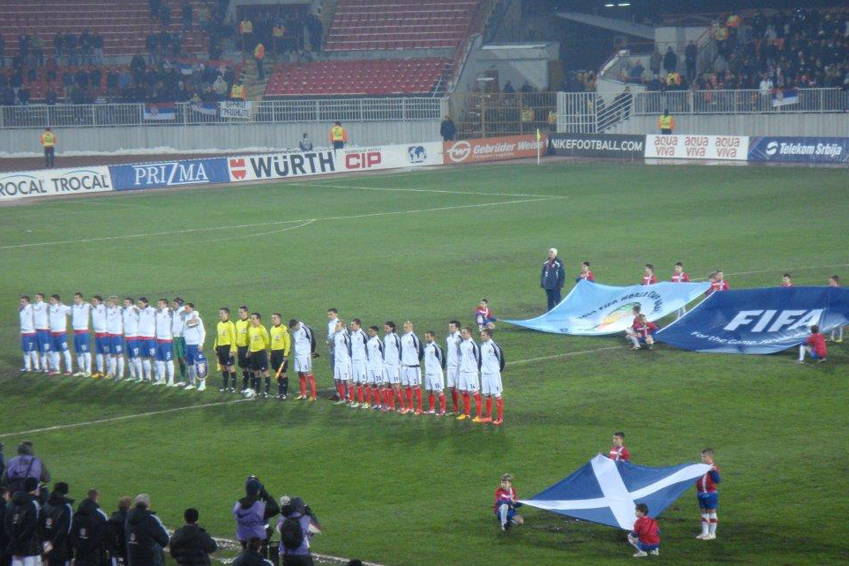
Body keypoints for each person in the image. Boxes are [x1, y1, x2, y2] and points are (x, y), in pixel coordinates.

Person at [233, 478, 279, 554]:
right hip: (258, 541)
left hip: (243, 538)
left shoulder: (237, 505)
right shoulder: (259, 507)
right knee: (268, 529)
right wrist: (266, 495)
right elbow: (276, 509)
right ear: (258, 491)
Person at [3, 477, 41, 566]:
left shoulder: (11, 502)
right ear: (35, 489)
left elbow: (7, 523)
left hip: (15, 547)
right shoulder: (34, 503)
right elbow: (33, 526)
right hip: (30, 548)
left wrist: (14, 539)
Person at [125, 494, 169, 566]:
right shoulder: (151, 518)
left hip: (132, 559)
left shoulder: (127, 519)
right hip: (149, 559)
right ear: (148, 504)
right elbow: (164, 539)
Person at [70, 490, 108, 566]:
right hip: (95, 555)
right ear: (96, 498)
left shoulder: (77, 514)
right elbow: (102, 535)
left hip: (80, 554)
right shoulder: (101, 515)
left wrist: (78, 546)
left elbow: (72, 532)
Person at [277, 497, 319, 566]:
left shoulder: (282, 519)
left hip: (287, 555)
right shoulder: (305, 519)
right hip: (303, 554)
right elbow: (316, 528)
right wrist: (310, 513)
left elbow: (280, 530)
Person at [42, 482, 73, 566]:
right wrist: (53, 543)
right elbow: (66, 529)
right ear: (66, 493)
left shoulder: (46, 503)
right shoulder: (66, 507)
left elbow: (41, 525)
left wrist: (46, 544)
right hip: (60, 547)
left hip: (45, 545)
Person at [478, 329, 504, 425]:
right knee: (487, 395)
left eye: (483, 335)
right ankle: (488, 417)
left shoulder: (494, 346)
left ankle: (500, 418)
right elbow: (480, 360)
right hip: (485, 374)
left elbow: (501, 359)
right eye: (481, 335)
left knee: (497, 395)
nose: (481, 336)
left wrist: (497, 370)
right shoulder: (482, 346)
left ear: (489, 336)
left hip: (493, 374)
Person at [457, 326, 482, 421]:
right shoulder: (462, 344)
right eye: (462, 333)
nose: (462, 334)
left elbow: (479, 358)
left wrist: (477, 369)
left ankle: (478, 416)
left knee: (475, 393)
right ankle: (466, 413)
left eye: (464, 333)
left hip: (471, 372)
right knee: (464, 392)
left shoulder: (473, 344)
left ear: (469, 333)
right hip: (463, 372)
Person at [288, 319, 317, 401]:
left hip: (305, 355)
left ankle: (313, 396)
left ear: (297, 324)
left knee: (309, 374)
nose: (293, 330)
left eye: (294, 328)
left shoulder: (305, 329)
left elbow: (313, 340)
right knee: (300, 374)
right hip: (298, 355)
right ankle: (303, 394)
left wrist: (311, 352)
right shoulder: (294, 329)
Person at [399, 321, 424, 415]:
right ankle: (410, 407)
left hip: (413, 366)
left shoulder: (414, 337)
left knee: (416, 386)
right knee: (406, 386)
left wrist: (415, 361)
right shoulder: (403, 338)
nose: (405, 328)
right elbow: (401, 351)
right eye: (404, 327)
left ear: (411, 327)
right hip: (404, 366)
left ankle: (419, 408)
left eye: (407, 327)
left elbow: (420, 351)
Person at [696, 449, 720, 540]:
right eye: (702, 456)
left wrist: (713, 471)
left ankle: (712, 533)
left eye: (704, 456)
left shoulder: (714, 467)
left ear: (710, 457)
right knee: (703, 512)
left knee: (711, 512)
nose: (702, 458)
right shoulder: (701, 467)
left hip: (710, 493)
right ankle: (705, 532)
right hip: (700, 493)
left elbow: (717, 480)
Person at [183, 303, 207, 391]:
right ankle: (192, 383)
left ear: (192, 308)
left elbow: (202, 332)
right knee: (190, 365)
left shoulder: (197, 319)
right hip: (187, 344)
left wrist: (201, 344)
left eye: (187, 308)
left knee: (200, 364)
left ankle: (202, 383)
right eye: (185, 308)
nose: (185, 309)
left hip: (195, 344)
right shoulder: (185, 317)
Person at [47, 294, 73, 376]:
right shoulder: (49, 308)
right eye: (50, 299)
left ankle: (69, 369)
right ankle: (56, 369)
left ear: (57, 301)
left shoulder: (62, 307)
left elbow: (72, 310)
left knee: (65, 351)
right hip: (52, 334)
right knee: (54, 352)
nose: (51, 301)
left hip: (61, 334)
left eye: (52, 299)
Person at [247, 313, 271, 396]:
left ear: (258, 319)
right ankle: (257, 391)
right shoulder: (250, 329)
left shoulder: (262, 329)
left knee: (265, 372)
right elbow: (251, 341)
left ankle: (266, 391)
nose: (252, 320)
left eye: (253, 318)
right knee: (256, 373)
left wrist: (265, 350)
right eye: (251, 318)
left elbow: (267, 341)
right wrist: (249, 351)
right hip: (253, 353)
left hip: (261, 353)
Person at [215, 308, 238, 392]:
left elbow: (233, 338)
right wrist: (216, 347)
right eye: (219, 313)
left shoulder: (230, 324)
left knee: (230, 366)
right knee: (223, 367)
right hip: (220, 348)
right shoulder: (219, 324)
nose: (220, 315)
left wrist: (232, 349)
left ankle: (233, 387)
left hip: (228, 348)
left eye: (222, 313)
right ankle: (225, 386)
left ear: (227, 314)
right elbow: (217, 337)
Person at [422, 331, 445, 416]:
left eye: (428, 337)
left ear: (433, 337)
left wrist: (441, 368)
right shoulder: (426, 347)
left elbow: (442, 358)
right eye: (425, 337)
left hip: (436, 373)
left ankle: (442, 410)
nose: (426, 338)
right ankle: (431, 409)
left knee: (439, 391)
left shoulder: (436, 347)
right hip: (428, 373)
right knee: (429, 391)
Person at [154, 299, 176, 386]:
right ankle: (161, 379)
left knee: (169, 361)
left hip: (167, 340)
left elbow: (180, 311)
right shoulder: (157, 313)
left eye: (160, 304)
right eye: (158, 303)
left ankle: (171, 380)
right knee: (159, 361)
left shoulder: (170, 312)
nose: (158, 305)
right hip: (158, 340)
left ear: (165, 304)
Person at [269, 313, 291, 399]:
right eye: (272, 318)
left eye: (274, 318)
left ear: (279, 319)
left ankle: (284, 393)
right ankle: (280, 392)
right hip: (274, 353)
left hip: (281, 353)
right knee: (277, 373)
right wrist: (270, 353)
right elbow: (272, 342)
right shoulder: (272, 329)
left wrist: (285, 354)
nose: (272, 319)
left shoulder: (283, 329)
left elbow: (288, 342)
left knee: (283, 373)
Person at [70, 293, 92, 377]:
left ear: (81, 298)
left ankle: (88, 370)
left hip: (83, 332)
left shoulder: (86, 305)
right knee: (78, 352)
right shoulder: (73, 307)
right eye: (74, 298)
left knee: (86, 351)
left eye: (76, 298)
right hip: (76, 332)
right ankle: (81, 370)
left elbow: (95, 306)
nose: (75, 300)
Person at [105, 496, 131, 566]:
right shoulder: (129, 520)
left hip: (114, 554)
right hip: (126, 553)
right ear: (129, 507)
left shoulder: (112, 519)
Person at [348, 319, 368, 408]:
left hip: (362, 362)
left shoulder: (363, 334)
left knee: (364, 383)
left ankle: (367, 402)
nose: (351, 326)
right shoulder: (352, 335)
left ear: (358, 325)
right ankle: (360, 401)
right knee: (357, 383)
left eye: (353, 324)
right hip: (354, 362)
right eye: (351, 324)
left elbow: (369, 346)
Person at [331, 319, 352, 405]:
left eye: (337, 326)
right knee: (338, 379)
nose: (335, 327)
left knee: (346, 380)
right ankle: (342, 398)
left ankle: (349, 397)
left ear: (343, 327)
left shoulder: (345, 336)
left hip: (344, 361)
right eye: (335, 325)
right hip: (337, 361)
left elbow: (350, 349)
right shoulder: (336, 335)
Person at [382, 322, 402, 412]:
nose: (385, 329)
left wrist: (399, 362)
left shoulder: (396, 337)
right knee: (388, 384)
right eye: (385, 328)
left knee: (396, 385)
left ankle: (402, 406)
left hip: (394, 364)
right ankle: (392, 406)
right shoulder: (386, 338)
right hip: (387, 364)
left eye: (387, 327)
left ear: (392, 328)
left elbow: (401, 350)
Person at [137, 298, 157, 383]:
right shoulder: (139, 310)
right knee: (144, 358)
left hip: (150, 338)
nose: (139, 305)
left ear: (146, 303)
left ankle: (157, 377)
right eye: (138, 303)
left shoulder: (153, 310)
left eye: (140, 303)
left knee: (154, 357)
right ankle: (148, 376)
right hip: (141, 338)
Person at [365, 326, 385, 410]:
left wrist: (382, 366)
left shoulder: (379, 342)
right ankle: (377, 403)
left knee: (380, 385)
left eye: (371, 331)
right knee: (373, 385)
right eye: (369, 331)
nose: (370, 332)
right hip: (371, 367)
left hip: (378, 367)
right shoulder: (369, 342)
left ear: (376, 332)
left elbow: (384, 354)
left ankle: (384, 404)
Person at [122, 297, 142, 381]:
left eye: (126, 302)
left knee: (136, 358)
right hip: (127, 337)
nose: (124, 303)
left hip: (134, 337)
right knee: (129, 358)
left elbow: (142, 313)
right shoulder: (124, 311)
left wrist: (137, 308)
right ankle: (132, 375)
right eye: (124, 302)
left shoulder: (135, 309)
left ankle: (140, 377)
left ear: (130, 303)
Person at [105, 296, 125, 380]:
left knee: (119, 355)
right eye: (108, 301)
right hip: (109, 335)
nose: (108, 303)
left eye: (111, 301)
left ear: (115, 302)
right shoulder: (107, 309)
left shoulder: (120, 309)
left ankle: (120, 374)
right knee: (112, 354)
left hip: (117, 336)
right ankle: (112, 373)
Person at [18, 296, 39, 373]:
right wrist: (21, 332)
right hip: (24, 333)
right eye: (21, 301)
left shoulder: (31, 307)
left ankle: (36, 366)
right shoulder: (21, 310)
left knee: (32, 350)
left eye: (23, 301)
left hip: (30, 333)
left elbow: (37, 306)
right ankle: (27, 367)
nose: (21, 303)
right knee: (25, 350)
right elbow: (22, 322)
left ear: (27, 302)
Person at [445, 320, 462, 415]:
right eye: (449, 326)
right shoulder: (448, 338)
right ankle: (455, 410)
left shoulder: (459, 338)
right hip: (450, 366)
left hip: (457, 367)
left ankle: (464, 411)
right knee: (452, 388)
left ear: (457, 328)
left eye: (452, 326)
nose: (450, 327)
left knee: (461, 388)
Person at [32, 293, 51, 374]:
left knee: (47, 349)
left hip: (45, 330)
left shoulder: (46, 305)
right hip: (36, 330)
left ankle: (52, 366)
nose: (36, 298)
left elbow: (55, 307)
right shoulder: (32, 306)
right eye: (35, 297)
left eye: (38, 297)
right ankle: (44, 367)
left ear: (42, 298)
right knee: (41, 350)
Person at [171, 298, 188, 384]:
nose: (173, 305)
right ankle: (183, 377)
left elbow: (195, 313)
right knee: (180, 358)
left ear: (179, 304)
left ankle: (190, 376)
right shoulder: (174, 311)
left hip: (183, 337)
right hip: (176, 337)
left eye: (174, 304)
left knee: (185, 357)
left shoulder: (183, 311)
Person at [90, 296, 108, 378]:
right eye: (92, 301)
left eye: (95, 301)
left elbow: (108, 306)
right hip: (97, 334)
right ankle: (100, 371)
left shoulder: (103, 307)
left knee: (107, 354)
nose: (93, 302)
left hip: (104, 334)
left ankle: (110, 372)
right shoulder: (92, 308)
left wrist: (104, 303)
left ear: (99, 301)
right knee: (99, 354)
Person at [235, 306, 251, 392]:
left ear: (246, 312)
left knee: (250, 368)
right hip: (240, 348)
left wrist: (250, 350)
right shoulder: (237, 323)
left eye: (241, 312)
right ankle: (245, 386)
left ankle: (252, 386)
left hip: (247, 348)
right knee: (243, 368)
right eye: (239, 312)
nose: (239, 314)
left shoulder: (249, 323)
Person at [326, 308, 339, 396]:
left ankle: (345, 393)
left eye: (331, 314)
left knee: (339, 372)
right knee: (334, 373)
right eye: (328, 314)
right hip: (331, 351)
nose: (329, 316)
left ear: (335, 314)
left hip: (338, 352)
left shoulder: (339, 324)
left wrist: (331, 343)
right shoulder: (330, 324)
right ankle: (338, 392)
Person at [828, 275, 843, 342]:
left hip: (838, 309)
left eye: (831, 281)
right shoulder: (830, 289)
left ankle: (839, 337)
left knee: (839, 323)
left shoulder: (839, 290)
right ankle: (831, 337)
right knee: (830, 322)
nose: (829, 283)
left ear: (835, 282)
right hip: (831, 308)